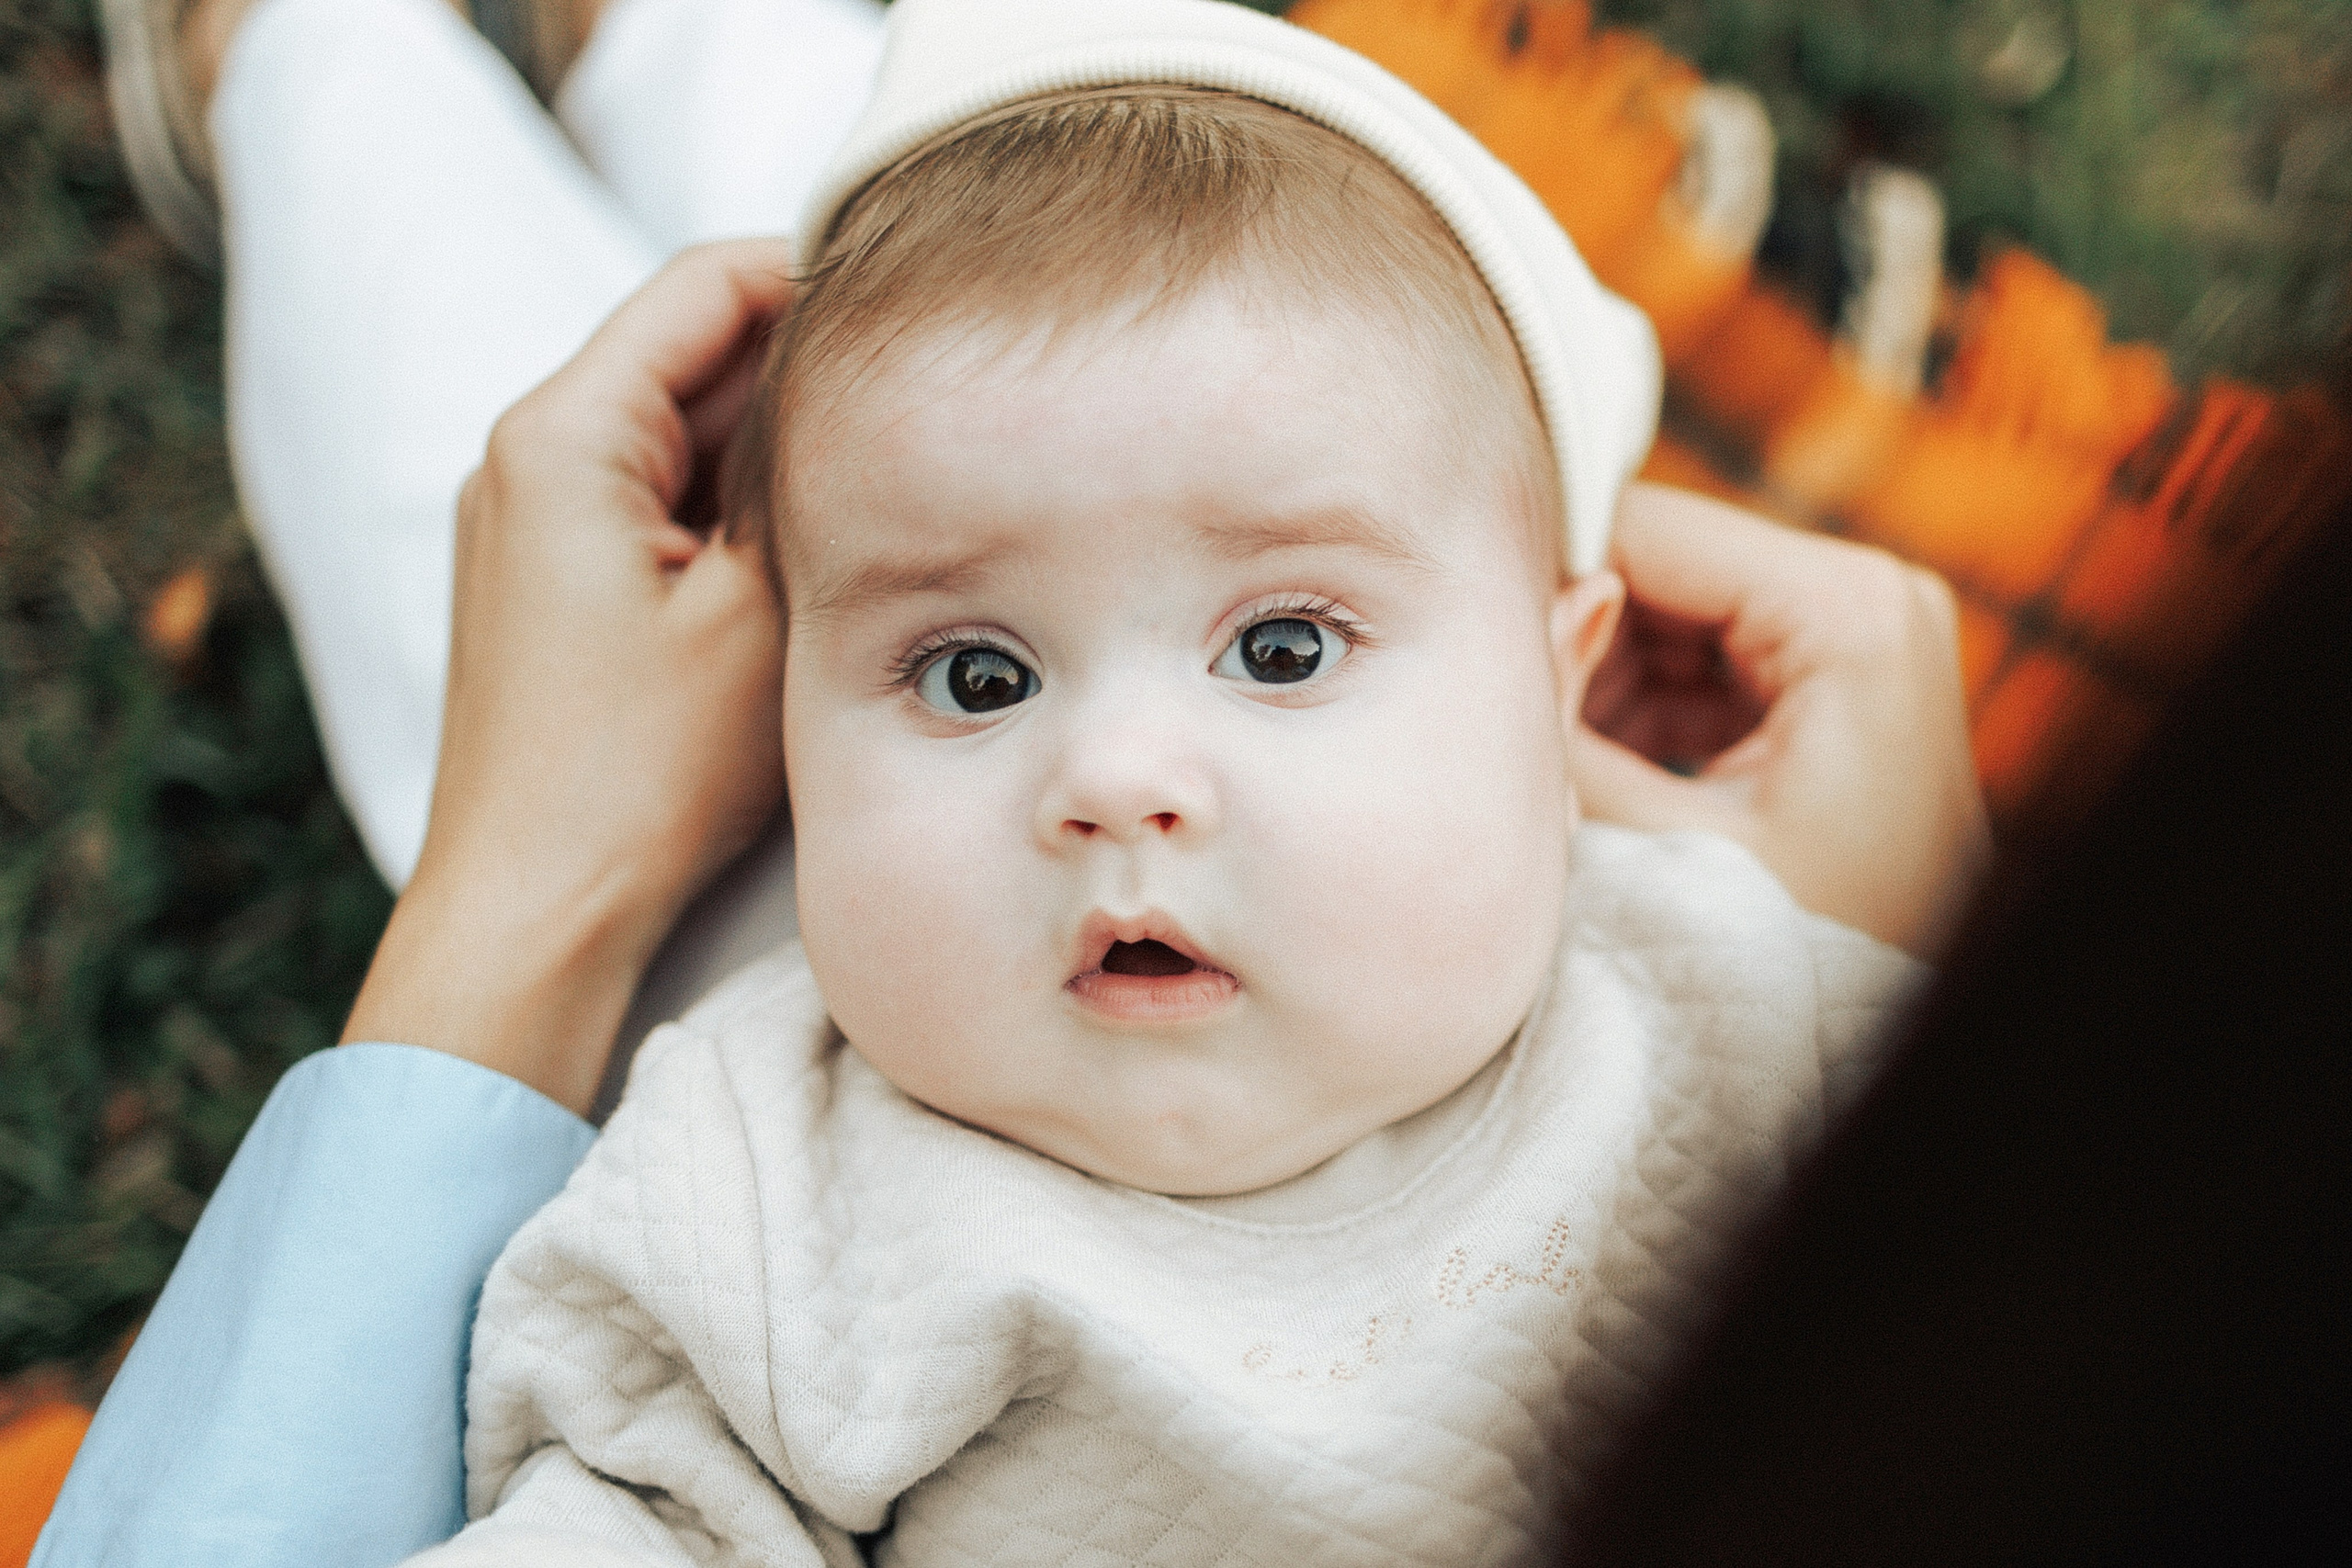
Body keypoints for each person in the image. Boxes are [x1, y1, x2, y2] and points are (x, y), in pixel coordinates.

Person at [40, 0, 1986, 1562]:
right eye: (975, 673)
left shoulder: (1741, 1015)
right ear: (777, 710)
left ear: (1549, 686)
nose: (1115, 773)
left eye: (1283, 648)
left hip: (712, 929)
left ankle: (315, 53)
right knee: (917, 318)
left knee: (514, 441)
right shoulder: (762, 1197)